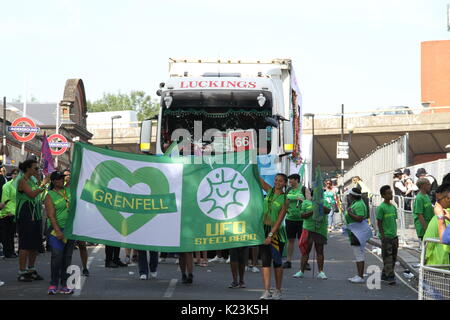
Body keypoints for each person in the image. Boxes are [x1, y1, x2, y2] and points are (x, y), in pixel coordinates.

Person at [16, 160, 49, 282]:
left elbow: (41, 193)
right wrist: (43, 184)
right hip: (25, 214)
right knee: (25, 243)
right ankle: (22, 271)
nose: (37, 171)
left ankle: (31, 269)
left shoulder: (33, 180)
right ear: (28, 169)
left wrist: (40, 180)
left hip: (36, 214)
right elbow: (32, 194)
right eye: (35, 169)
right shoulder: (22, 181)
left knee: (35, 244)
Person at [258, 173, 289, 300]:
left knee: (277, 262)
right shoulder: (269, 191)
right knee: (265, 262)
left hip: (276, 233)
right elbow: (258, 180)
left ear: (284, 183)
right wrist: (250, 162)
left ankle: (278, 290)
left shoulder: (285, 199)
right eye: (276, 180)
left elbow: (280, 220)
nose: (277, 182)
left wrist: (271, 235)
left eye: (280, 181)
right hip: (263, 230)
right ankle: (266, 291)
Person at [45, 171, 76, 294]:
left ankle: (65, 284)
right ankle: (53, 284)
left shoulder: (68, 191)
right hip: (55, 230)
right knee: (57, 257)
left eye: (62, 178)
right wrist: (57, 231)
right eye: (58, 179)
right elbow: (51, 216)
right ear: (53, 181)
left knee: (67, 258)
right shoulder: (50, 195)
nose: (61, 180)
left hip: (69, 230)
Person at [293, 186, 330, 280]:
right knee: (305, 251)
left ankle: (321, 272)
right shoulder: (305, 203)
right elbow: (302, 215)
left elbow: (328, 210)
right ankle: (301, 271)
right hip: (308, 229)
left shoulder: (324, 202)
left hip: (320, 230)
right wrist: (313, 210)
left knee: (320, 251)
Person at [345, 188, 370, 284]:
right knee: (357, 254)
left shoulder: (359, 204)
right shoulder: (357, 202)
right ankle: (359, 275)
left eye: (349, 195)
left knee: (359, 254)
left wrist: (350, 213)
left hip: (357, 232)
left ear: (352, 195)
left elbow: (359, 218)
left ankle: (360, 276)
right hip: (355, 231)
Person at [376, 185, 398, 285]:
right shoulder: (381, 208)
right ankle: (390, 276)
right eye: (388, 193)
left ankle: (385, 274)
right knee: (387, 257)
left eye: (391, 193)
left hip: (394, 236)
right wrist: (383, 236)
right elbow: (379, 223)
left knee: (393, 257)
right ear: (383, 195)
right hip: (386, 237)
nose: (391, 195)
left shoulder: (393, 207)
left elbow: (394, 221)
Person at [282, 174, 305, 269]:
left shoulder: (303, 189)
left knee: (302, 242)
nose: (289, 182)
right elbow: (285, 198)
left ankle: (305, 261)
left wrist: (302, 199)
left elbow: (308, 200)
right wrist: (295, 197)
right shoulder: (288, 190)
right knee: (290, 240)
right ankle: (288, 261)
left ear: (296, 180)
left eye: (291, 180)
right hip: (290, 219)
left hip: (302, 220)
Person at [0, 168, 19, 258]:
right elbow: (5, 200)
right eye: (14, 173)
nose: (15, 175)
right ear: (11, 175)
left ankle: (11, 251)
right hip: (8, 213)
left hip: (16, 212)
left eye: (17, 174)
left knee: (12, 234)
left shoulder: (20, 185)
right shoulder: (7, 185)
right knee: (7, 234)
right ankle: (8, 252)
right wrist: (8, 212)